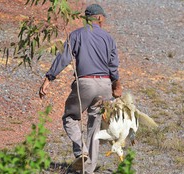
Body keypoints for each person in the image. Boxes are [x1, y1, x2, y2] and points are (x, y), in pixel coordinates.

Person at [39, 4, 122, 174]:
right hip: (105, 85)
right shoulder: (108, 38)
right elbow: (113, 67)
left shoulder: (77, 34)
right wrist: (115, 86)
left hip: (85, 83)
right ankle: (88, 169)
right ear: (99, 18)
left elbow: (64, 57)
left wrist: (49, 77)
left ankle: (80, 151)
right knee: (95, 127)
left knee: (70, 117)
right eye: (103, 18)